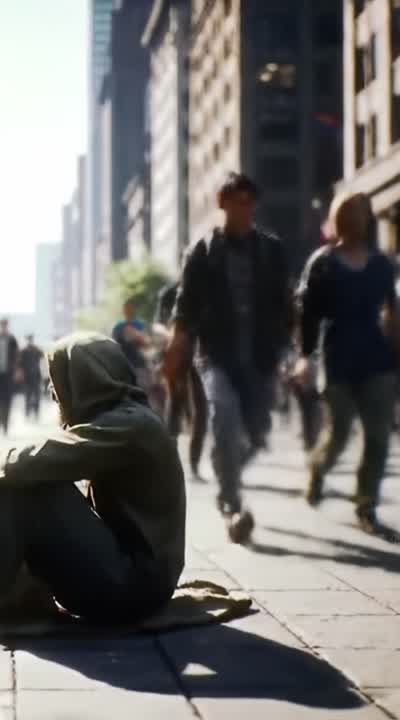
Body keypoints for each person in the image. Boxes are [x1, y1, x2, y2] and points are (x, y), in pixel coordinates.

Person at [0, 333, 185, 629]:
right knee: (27, 477)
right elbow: (42, 460)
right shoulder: (127, 418)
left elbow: (35, 460)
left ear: (86, 379)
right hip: (130, 578)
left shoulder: (131, 426)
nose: (54, 395)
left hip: (133, 591)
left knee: (26, 482)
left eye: (59, 382)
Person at [164, 173, 292, 543]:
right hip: (217, 354)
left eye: (248, 201)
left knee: (256, 432)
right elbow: (185, 306)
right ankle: (231, 501)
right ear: (222, 204)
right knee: (223, 415)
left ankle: (226, 467)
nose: (243, 208)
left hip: (262, 355)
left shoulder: (271, 250)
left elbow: (286, 303)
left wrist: (294, 351)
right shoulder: (203, 252)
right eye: (236, 200)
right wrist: (177, 344)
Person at [295, 192, 400, 538]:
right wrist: (304, 358)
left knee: (378, 437)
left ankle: (367, 506)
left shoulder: (380, 264)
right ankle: (317, 469)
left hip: (377, 359)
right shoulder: (322, 262)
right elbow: (307, 316)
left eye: (364, 213)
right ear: (340, 217)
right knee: (339, 433)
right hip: (337, 357)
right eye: (353, 213)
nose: (360, 219)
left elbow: (392, 314)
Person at [154, 282, 207, 476]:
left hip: (200, 355)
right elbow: (157, 324)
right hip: (175, 354)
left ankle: (194, 463)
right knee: (174, 404)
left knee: (201, 408)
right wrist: (172, 336)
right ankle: (170, 458)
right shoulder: (169, 293)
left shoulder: (206, 289)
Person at [0, 319, 21, 434]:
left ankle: (5, 423)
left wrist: (17, 370)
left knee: (7, 398)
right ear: (0, 326)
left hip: (8, 373)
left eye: (5, 325)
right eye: (2, 325)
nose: (3, 327)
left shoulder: (12, 340)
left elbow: (17, 356)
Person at [113, 298, 152, 391]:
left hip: (140, 365)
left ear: (133, 309)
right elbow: (115, 344)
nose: (128, 310)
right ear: (123, 310)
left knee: (143, 392)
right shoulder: (118, 326)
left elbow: (147, 343)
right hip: (124, 365)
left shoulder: (140, 324)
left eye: (130, 307)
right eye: (126, 308)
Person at [19, 335, 44, 419]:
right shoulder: (23, 351)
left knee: (37, 395)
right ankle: (27, 413)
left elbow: (42, 356)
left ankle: (36, 413)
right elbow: (20, 363)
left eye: (31, 339)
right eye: (29, 339)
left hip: (36, 375)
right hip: (27, 377)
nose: (30, 341)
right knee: (27, 395)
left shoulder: (36, 349)